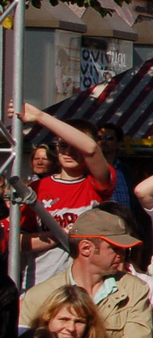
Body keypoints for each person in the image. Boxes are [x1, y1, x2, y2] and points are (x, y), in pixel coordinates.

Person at [21, 209, 153, 338]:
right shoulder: (39, 296)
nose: (123, 255)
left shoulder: (134, 289)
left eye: (125, 249)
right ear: (85, 248)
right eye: (115, 248)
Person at [11, 101, 114, 283]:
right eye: (63, 146)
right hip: (42, 280)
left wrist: (40, 117)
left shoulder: (96, 182)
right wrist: (57, 236)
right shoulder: (36, 189)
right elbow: (16, 242)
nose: (69, 152)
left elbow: (91, 150)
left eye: (75, 146)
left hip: (85, 282)